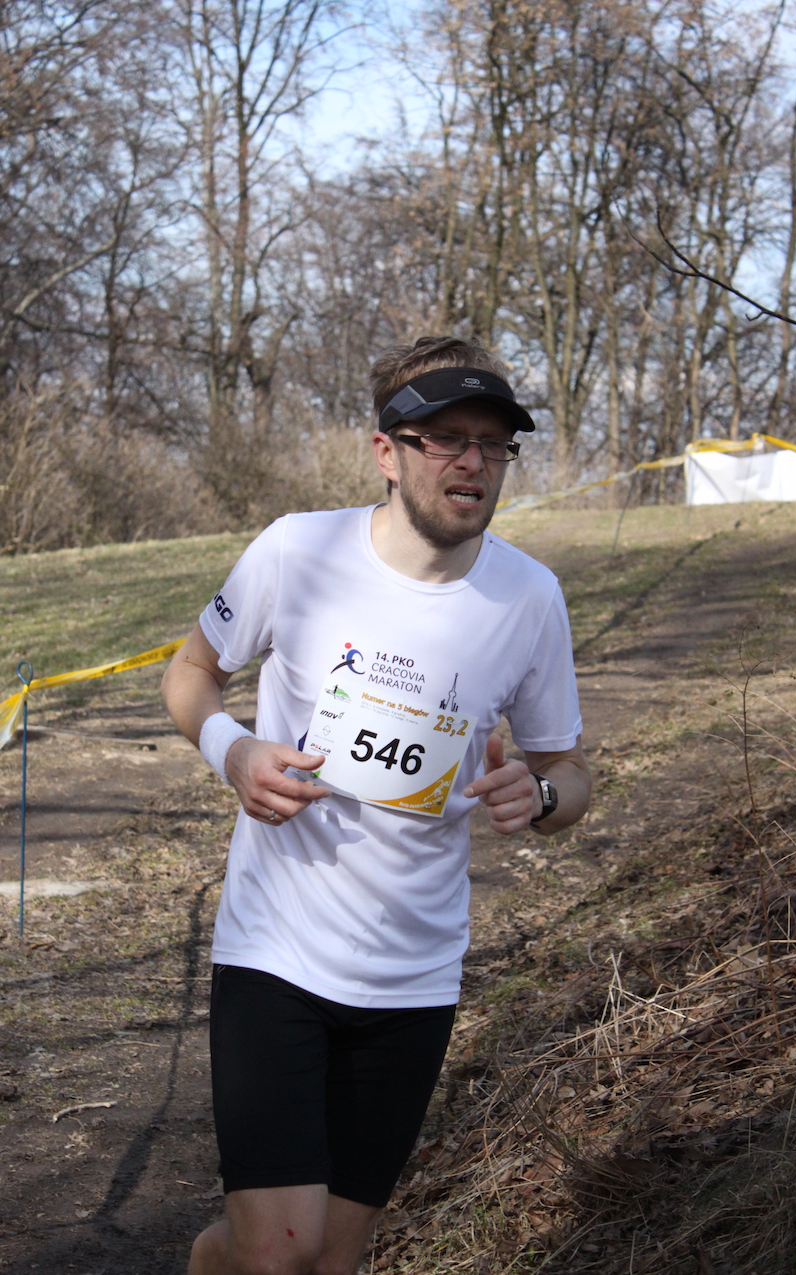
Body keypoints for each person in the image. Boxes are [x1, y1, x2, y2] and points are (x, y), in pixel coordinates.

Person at [161, 335, 592, 1275]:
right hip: (277, 949)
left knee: (328, 1262)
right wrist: (235, 752)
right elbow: (190, 673)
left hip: (414, 975)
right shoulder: (299, 551)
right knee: (280, 1253)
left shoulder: (529, 598)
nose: (473, 461)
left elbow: (571, 774)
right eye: (446, 438)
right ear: (387, 452)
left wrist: (539, 792)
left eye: (493, 442)